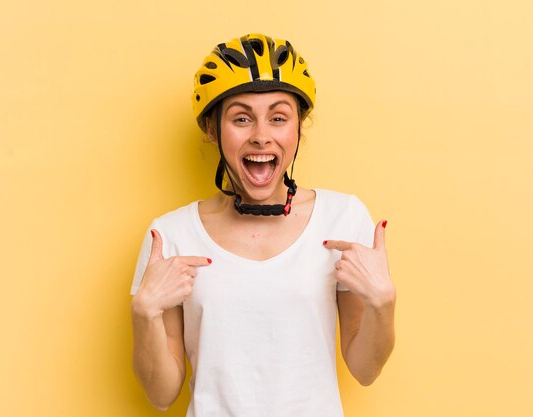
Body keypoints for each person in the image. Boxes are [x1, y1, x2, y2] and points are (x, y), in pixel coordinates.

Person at [130, 33, 396, 417]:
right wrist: (144, 312)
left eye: (278, 118)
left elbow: (366, 370)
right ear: (212, 130)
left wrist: (383, 302)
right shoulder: (170, 236)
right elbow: (161, 395)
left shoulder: (343, 219)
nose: (260, 135)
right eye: (241, 118)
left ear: (298, 128)